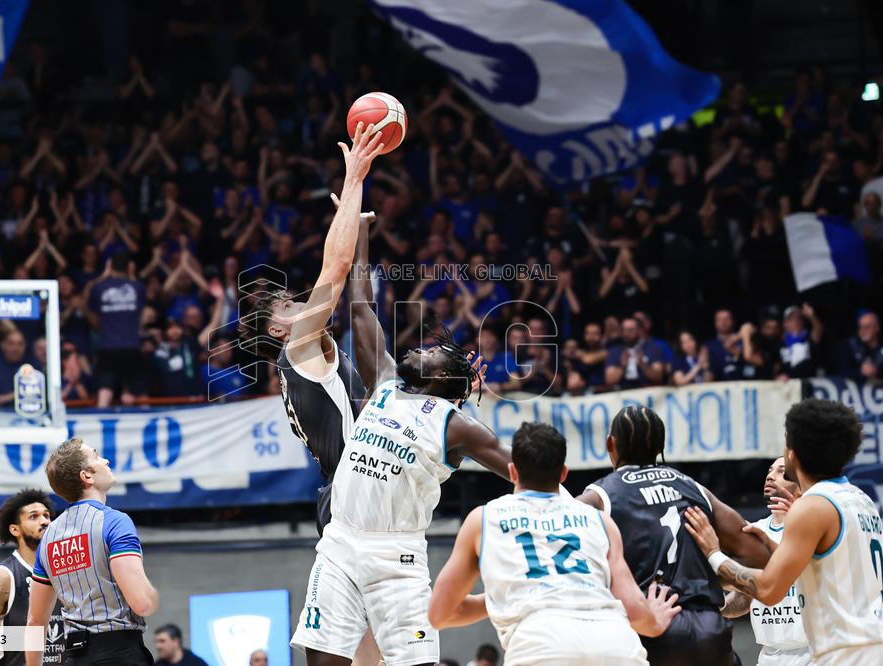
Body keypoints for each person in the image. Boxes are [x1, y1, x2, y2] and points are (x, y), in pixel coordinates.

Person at [290, 174, 515, 666]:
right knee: (322, 661)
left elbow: (521, 470)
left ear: (445, 378)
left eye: (432, 352)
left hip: (398, 559)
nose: (418, 347)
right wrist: (364, 233)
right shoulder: (388, 381)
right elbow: (361, 307)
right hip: (341, 543)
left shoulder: (455, 423)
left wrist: (573, 505)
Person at [237, 123, 384, 665]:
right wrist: (354, 182)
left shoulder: (313, 354)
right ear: (280, 330)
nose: (303, 308)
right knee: (353, 642)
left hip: (351, 490)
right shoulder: (298, 349)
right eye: (291, 308)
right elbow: (336, 269)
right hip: (350, 495)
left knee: (371, 638)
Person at [428, 422, 680, 665]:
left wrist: (506, 595)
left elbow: (440, 613)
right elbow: (636, 612)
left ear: (513, 470)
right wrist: (655, 621)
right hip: (615, 643)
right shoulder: (599, 521)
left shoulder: (483, 518)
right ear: (563, 473)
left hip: (541, 642)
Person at [684, 399, 883, 666]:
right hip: (870, 644)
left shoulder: (813, 506)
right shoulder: (861, 500)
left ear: (793, 452)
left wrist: (713, 554)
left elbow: (768, 590)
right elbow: (820, 571)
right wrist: (775, 551)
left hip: (844, 652)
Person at [575, 406, 770, 666]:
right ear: (661, 446)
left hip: (653, 627)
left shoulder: (601, 495)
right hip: (710, 630)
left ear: (611, 444)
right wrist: (736, 601)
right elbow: (758, 552)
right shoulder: (693, 488)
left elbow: (555, 526)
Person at [26, 437, 159, 666]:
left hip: (73, 658)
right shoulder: (115, 521)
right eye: (96, 456)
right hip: (119, 654)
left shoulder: (48, 537)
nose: (105, 460)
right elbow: (142, 603)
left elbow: (35, 621)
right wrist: (154, 596)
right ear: (86, 476)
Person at [719, 458, 812, 665]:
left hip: (813, 652)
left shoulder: (813, 527)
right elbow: (744, 599)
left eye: (781, 471)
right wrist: (717, 608)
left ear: (800, 485)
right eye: (770, 471)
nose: (770, 476)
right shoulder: (754, 532)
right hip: (770, 654)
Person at [0, 489, 64, 666]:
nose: (44, 521)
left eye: (47, 516)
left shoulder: (63, 571)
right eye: (34, 517)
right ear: (15, 529)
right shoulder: (4, 575)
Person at [86, 251, 146, 406]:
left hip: (107, 346)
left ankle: (100, 419)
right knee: (132, 391)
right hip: (131, 345)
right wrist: (131, 275)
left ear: (109, 267)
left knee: (105, 388)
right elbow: (141, 314)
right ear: (129, 268)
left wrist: (104, 275)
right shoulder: (138, 287)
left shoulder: (99, 287)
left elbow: (86, 298)